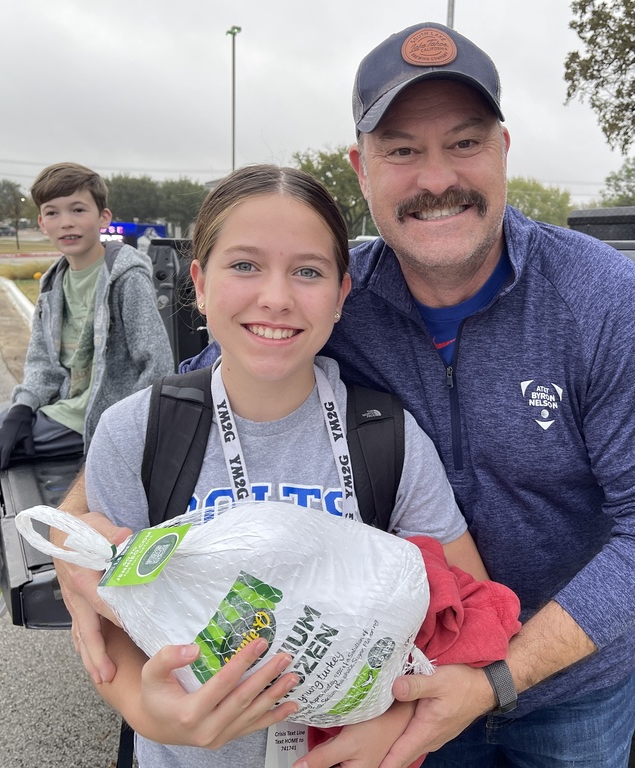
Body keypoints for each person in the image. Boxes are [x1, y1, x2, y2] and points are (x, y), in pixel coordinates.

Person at [57, 22, 635, 768]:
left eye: (464, 143)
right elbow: (188, 399)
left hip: (569, 691)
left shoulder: (603, 300)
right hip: (397, 688)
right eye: (401, 150)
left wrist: (495, 678)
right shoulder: (333, 295)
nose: (435, 178)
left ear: (503, 148)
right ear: (361, 169)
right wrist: (76, 533)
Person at [79, 164, 491, 768]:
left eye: (308, 271)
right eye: (245, 265)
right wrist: (148, 713)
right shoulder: (136, 433)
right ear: (200, 283)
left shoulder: (387, 437)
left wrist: (399, 718)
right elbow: (111, 617)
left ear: (341, 295)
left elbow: (469, 605)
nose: (276, 297)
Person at [0, 161, 173, 660]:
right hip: (57, 410)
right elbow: (43, 364)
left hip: (92, 421)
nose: (66, 221)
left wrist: (123, 434)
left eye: (78, 209)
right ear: (41, 223)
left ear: (103, 217)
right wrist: (21, 412)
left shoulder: (124, 276)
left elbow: (156, 364)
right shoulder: (53, 281)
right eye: (53, 212)